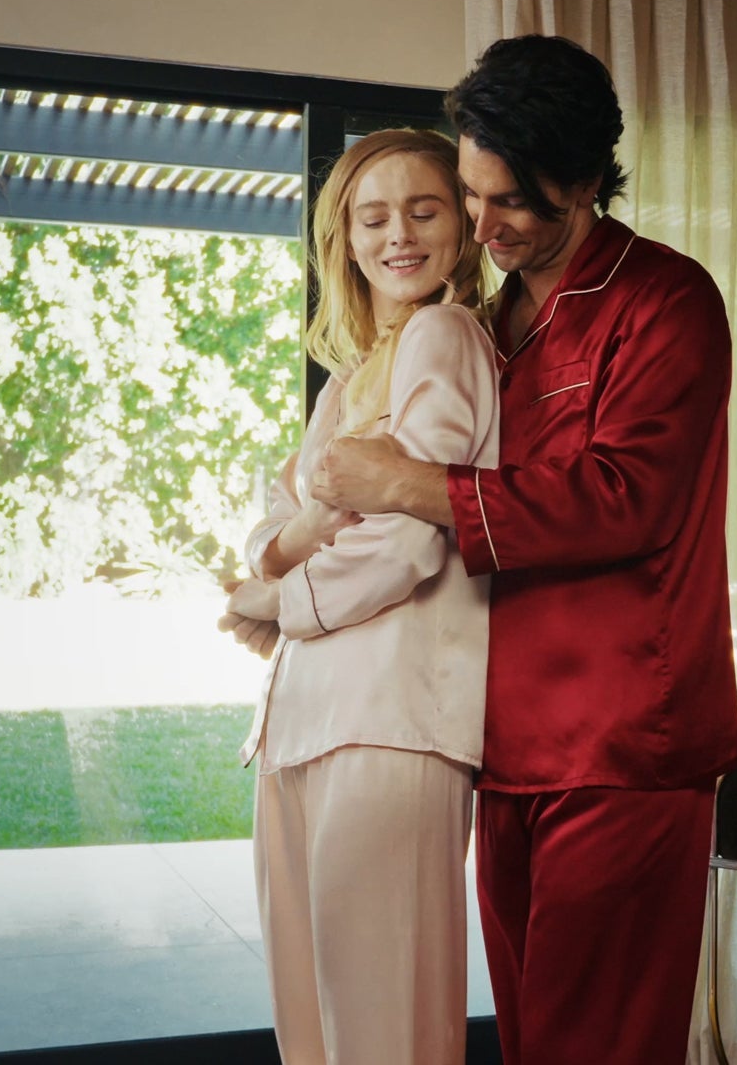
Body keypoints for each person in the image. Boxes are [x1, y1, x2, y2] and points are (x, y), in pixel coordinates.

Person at [308, 36, 737, 1065]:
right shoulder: (477, 324)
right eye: (471, 193)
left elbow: (625, 500)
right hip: (497, 740)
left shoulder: (666, 303)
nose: (481, 223)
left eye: (510, 202)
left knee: (598, 1046)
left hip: (624, 743)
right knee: (534, 1038)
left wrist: (404, 481)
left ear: (585, 183)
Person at [215, 127, 499, 1065]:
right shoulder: (347, 376)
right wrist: (289, 546)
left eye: (423, 210)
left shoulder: (445, 334)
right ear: (344, 237)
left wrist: (275, 602)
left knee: (383, 1036)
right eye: (372, 217)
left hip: (390, 725)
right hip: (302, 721)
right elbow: (270, 525)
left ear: (462, 222)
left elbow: (415, 531)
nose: (398, 236)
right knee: (314, 1032)